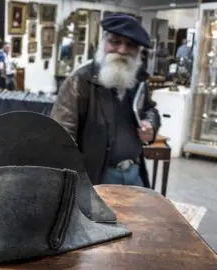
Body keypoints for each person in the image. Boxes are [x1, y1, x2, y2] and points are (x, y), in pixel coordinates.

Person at [50, 14, 161, 188]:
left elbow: (150, 110)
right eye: (115, 42)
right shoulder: (80, 81)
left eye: (130, 45)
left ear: (138, 51)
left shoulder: (138, 79)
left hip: (134, 174)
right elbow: (61, 136)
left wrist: (150, 126)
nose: (122, 50)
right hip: (96, 178)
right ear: (104, 43)